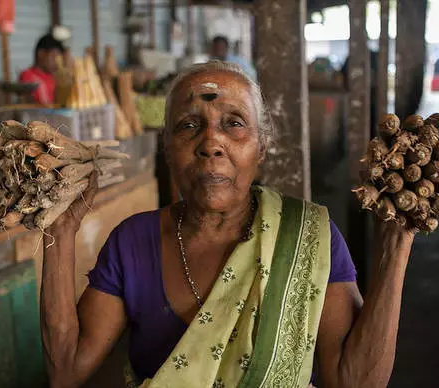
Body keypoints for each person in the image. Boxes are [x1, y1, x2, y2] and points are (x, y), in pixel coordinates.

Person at [40, 61, 415, 388]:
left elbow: (354, 381)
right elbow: (66, 370)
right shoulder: (133, 242)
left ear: (262, 147)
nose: (212, 143)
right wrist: (58, 231)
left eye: (234, 124)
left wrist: (397, 244)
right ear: (167, 147)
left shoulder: (307, 238)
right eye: (189, 125)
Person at [19, 34, 65, 105]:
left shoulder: (54, 78)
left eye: (59, 59)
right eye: (54, 57)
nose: (56, 63)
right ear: (41, 54)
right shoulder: (27, 75)